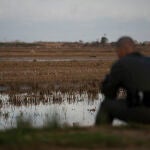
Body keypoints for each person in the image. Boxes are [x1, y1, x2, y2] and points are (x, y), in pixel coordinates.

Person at [96, 36, 150, 125]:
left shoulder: (121, 63)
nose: (117, 54)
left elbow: (109, 93)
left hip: (144, 111)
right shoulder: (148, 60)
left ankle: (100, 134)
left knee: (106, 105)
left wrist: (106, 82)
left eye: (117, 51)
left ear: (122, 49)